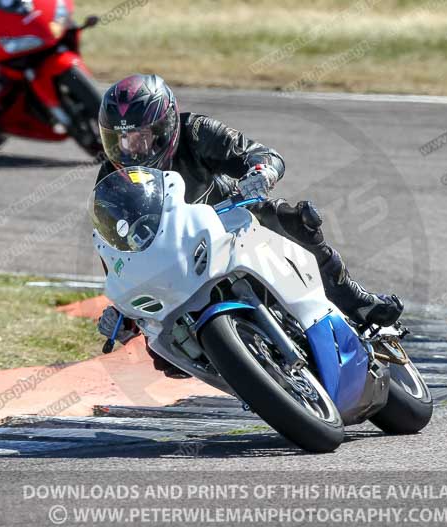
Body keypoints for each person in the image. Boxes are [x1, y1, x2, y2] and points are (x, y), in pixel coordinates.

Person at [93, 73, 403, 377]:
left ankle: (357, 301)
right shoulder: (112, 179)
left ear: (166, 128)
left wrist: (261, 172)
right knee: (166, 357)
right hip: (177, 257)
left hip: (234, 221)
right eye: (117, 140)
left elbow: (260, 154)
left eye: (140, 138)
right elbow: (116, 249)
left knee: (291, 220)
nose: (129, 150)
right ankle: (234, 369)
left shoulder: (196, 131)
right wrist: (124, 309)